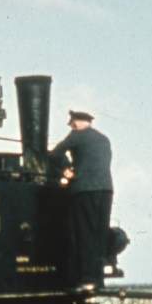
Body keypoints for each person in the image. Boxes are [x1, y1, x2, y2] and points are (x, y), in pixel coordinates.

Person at [49, 110, 113, 292]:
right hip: (106, 189)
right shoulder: (103, 139)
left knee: (83, 233)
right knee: (99, 234)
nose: (71, 126)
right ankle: (98, 278)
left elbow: (55, 154)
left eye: (71, 123)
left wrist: (67, 169)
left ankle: (85, 279)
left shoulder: (77, 135)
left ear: (75, 123)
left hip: (85, 189)